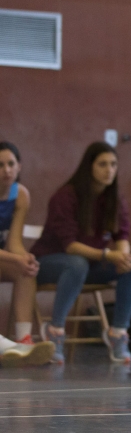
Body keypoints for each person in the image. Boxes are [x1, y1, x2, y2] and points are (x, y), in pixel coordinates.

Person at [32, 142, 131, 365]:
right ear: (89, 166)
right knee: (76, 263)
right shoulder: (66, 196)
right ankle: (55, 331)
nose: (109, 170)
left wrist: (122, 257)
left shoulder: (115, 199)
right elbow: (71, 246)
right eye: (103, 164)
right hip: (48, 264)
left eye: (113, 164)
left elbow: (122, 236)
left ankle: (118, 333)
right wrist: (108, 256)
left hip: (87, 265)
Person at [0, 141, 54, 367]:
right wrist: (16, 259)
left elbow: (14, 243)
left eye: (11, 164)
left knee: (25, 271)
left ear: (19, 166)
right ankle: (9, 349)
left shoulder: (21, 195)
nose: (6, 170)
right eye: (0, 165)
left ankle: (24, 340)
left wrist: (25, 258)